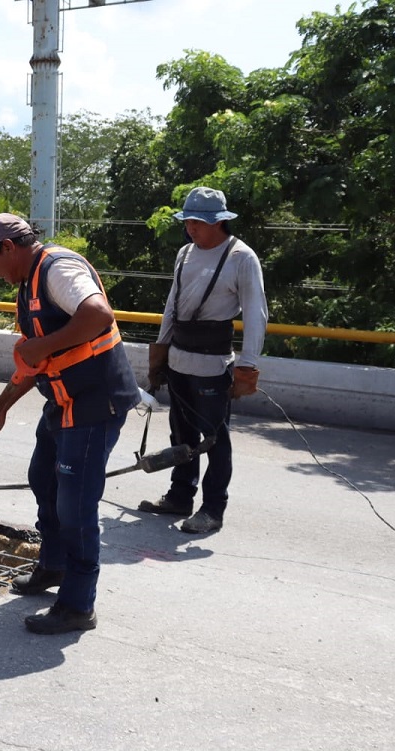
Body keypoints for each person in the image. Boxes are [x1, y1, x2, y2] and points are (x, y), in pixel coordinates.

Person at [0, 214, 139, 634]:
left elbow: (98, 315)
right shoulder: (27, 287)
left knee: (75, 504)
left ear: (8, 247)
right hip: (62, 401)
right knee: (43, 477)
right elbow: (35, 361)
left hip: (94, 403)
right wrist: (1, 406)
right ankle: (54, 564)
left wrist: (44, 343)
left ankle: (78, 605)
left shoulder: (57, 270)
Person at [139, 187, 268, 534]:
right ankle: (180, 497)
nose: (191, 228)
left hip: (213, 367)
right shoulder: (185, 253)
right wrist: (160, 353)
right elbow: (172, 305)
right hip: (179, 361)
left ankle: (213, 509)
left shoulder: (241, 257)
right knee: (181, 434)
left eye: (198, 222)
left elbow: (256, 315)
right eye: (188, 221)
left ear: (219, 222)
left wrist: (247, 364)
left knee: (214, 440)